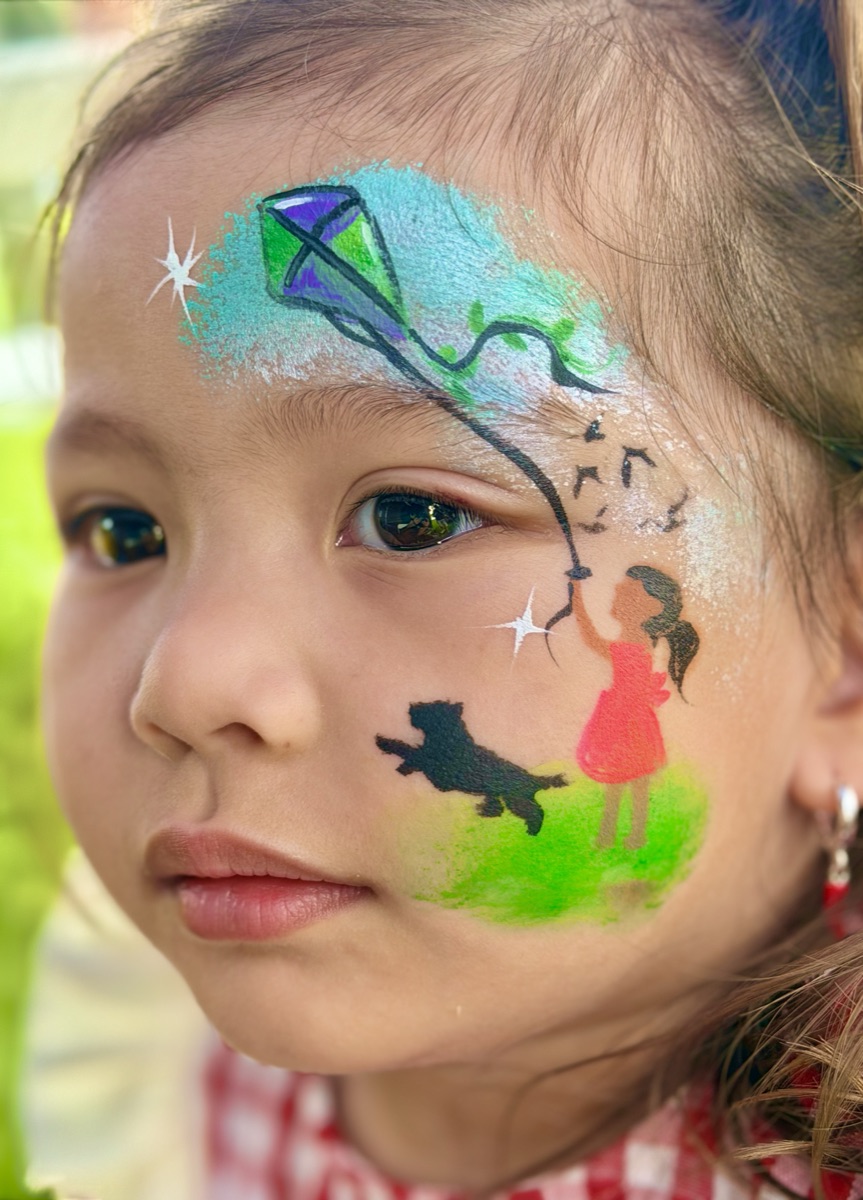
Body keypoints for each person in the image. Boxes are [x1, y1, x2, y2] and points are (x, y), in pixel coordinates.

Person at [38, 0, 863, 1196]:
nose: (186, 682)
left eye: (413, 518)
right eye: (127, 531)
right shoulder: (170, 1046)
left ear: (844, 648)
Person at [573, 565, 698, 850]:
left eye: (627, 590)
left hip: (625, 718)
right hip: (630, 716)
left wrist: (577, 595)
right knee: (625, 782)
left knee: (627, 781)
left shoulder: (634, 644)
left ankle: (624, 834)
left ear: (648, 606)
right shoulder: (639, 642)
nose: (616, 591)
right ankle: (622, 834)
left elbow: (592, 638)